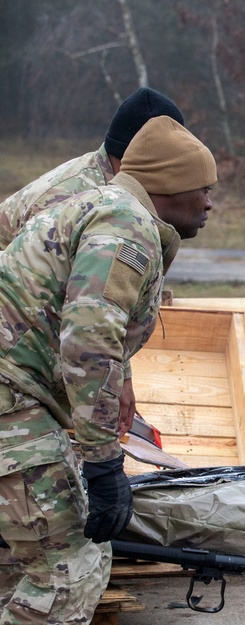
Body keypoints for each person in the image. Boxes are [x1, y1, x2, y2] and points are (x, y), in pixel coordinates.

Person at [0, 115, 216, 625]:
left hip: (19, 395)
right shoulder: (126, 228)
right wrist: (102, 465)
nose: (211, 202)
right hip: (11, 399)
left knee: (20, 563)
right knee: (69, 566)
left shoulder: (108, 210)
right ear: (168, 188)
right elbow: (87, 345)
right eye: (204, 189)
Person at [0, 86, 185, 440]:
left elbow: (104, 301)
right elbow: (78, 318)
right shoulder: (74, 197)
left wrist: (121, 377)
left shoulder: (117, 193)